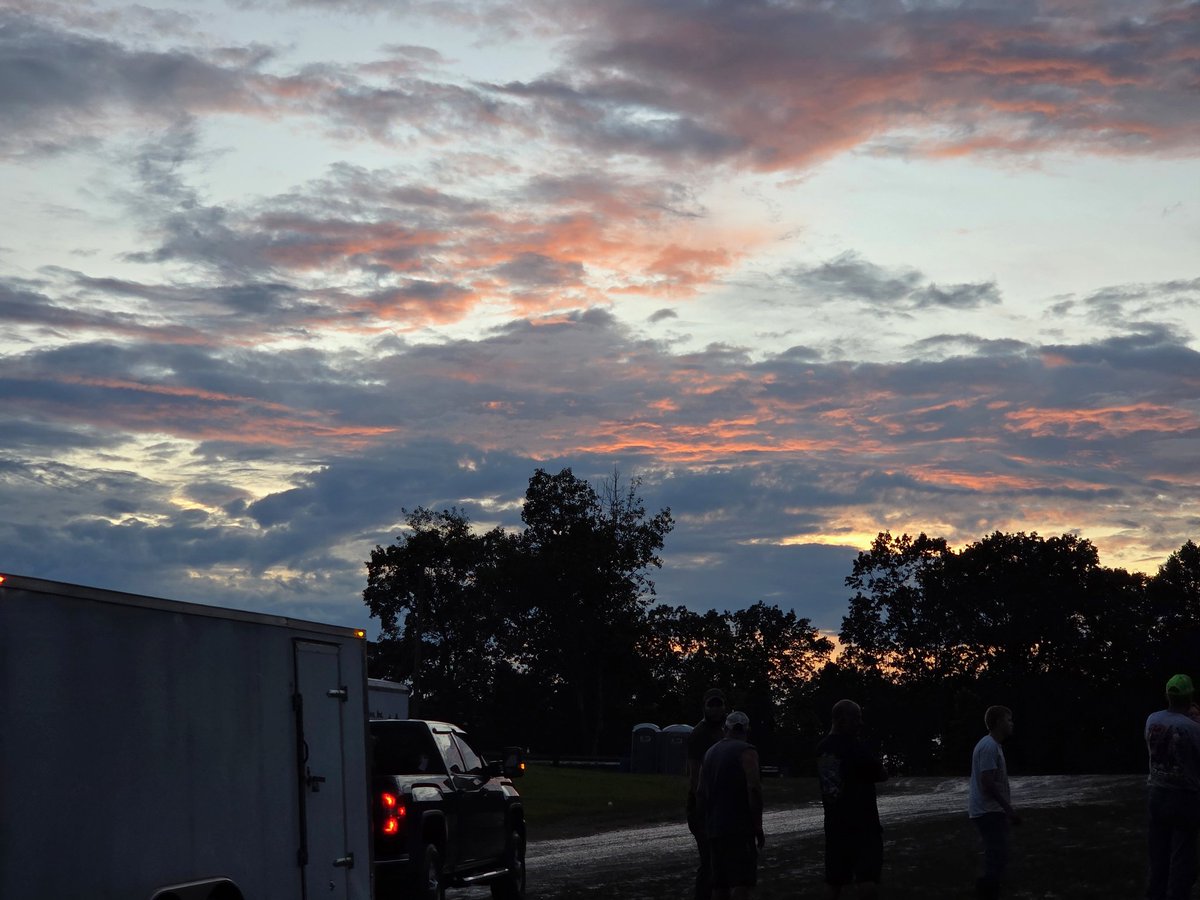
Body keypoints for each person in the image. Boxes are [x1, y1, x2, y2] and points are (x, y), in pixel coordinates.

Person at [815, 699, 888, 899]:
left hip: (834, 824)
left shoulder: (822, 748)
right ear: (841, 719)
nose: (860, 723)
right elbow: (881, 774)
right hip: (862, 824)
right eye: (856, 718)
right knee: (867, 878)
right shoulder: (855, 747)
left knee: (834, 880)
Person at [696, 710, 765, 900]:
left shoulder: (709, 753)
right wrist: (758, 825)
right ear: (747, 729)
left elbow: (700, 792)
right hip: (739, 829)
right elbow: (754, 789)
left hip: (715, 829)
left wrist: (704, 824)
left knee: (720, 885)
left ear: (725, 728)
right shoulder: (747, 751)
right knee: (741, 883)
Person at [1145, 674, 1200, 900]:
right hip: (1185, 797)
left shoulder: (1152, 719)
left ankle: (1154, 895)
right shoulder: (1194, 728)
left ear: (1167, 695)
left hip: (1157, 793)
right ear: (1191, 696)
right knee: (1182, 856)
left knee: (1158, 854)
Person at [969, 705, 1020, 900]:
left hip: (990, 810)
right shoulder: (989, 746)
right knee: (996, 855)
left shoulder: (993, 745)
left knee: (998, 854)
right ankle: (986, 891)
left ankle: (988, 889)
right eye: (1008, 720)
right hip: (988, 811)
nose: (1011, 723)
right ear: (998, 722)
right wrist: (1008, 809)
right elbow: (987, 782)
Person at [687, 687, 728, 900]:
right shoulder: (699, 734)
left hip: (719, 805)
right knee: (709, 860)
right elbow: (694, 775)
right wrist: (699, 805)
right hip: (703, 804)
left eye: (718, 704)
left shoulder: (724, 730)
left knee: (719, 859)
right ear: (704, 706)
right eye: (711, 704)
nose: (715, 708)